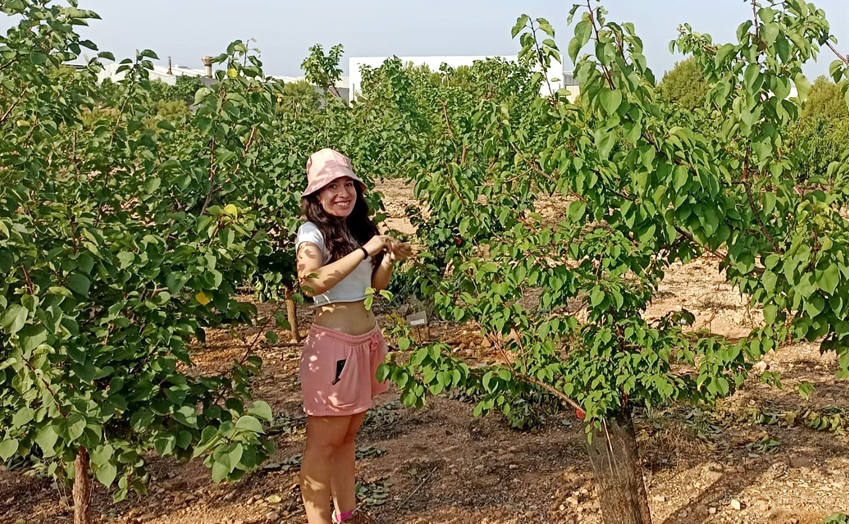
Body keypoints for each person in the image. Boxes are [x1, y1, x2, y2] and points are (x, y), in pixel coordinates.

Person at [295, 148, 412, 524]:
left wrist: (391, 257)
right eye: (332, 186)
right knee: (323, 444)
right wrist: (364, 252)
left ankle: (347, 514)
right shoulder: (311, 233)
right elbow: (311, 282)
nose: (342, 193)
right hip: (333, 351)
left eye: (348, 184)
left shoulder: (358, 228)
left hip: (365, 344)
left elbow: (375, 285)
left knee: (346, 439)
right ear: (316, 195)